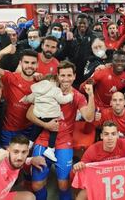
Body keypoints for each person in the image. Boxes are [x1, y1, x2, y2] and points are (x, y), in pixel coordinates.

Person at [26, 61, 95, 200]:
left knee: (64, 185)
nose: (66, 79)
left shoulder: (78, 96)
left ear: (74, 76)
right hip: (45, 139)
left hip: (65, 142)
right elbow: (29, 114)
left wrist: (91, 95)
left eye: (69, 75)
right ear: (58, 76)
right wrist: (46, 125)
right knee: (37, 185)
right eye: (62, 75)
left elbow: (89, 117)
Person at [72, 120, 125, 200]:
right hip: (101, 183)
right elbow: (81, 166)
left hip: (123, 182)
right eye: (106, 134)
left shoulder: (123, 143)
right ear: (101, 136)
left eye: (113, 134)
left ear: (118, 135)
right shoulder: (93, 150)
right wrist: (78, 166)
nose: (110, 138)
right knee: (82, 195)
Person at [0, 44, 38, 147]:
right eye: (26, 62)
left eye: (33, 63)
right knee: (7, 158)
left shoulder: (40, 83)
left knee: (23, 159)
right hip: (8, 130)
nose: (29, 65)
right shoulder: (11, 77)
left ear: (37, 65)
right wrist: (3, 52)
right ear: (20, 63)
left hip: (29, 130)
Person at [21, 74, 73, 162]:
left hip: (39, 115)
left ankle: (30, 142)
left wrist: (24, 99)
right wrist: (70, 95)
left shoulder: (38, 91)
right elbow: (62, 100)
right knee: (54, 129)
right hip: (51, 116)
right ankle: (50, 149)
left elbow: (30, 98)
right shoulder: (55, 90)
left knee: (37, 127)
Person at [64, 13, 97, 86]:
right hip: (73, 70)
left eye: (84, 23)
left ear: (88, 24)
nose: (82, 25)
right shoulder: (70, 35)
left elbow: (97, 55)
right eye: (80, 23)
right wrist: (68, 42)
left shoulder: (93, 37)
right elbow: (65, 53)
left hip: (87, 71)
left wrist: (89, 61)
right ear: (76, 23)